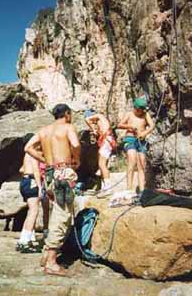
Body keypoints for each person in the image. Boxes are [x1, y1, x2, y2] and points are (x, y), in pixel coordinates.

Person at [25, 103, 81, 276]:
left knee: (55, 212)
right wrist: (76, 160)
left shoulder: (43, 131)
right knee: (62, 215)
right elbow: (75, 144)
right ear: (66, 114)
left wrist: (44, 158)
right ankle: (51, 262)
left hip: (49, 173)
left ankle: (45, 255)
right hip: (63, 172)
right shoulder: (67, 127)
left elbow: (27, 148)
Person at [117, 97, 154, 194]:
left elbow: (151, 126)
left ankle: (142, 190)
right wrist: (130, 126)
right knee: (132, 160)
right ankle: (129, 189)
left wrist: (144, 133)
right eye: (141, 109)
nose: (142, 111)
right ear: (136, 108)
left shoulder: (145, 115)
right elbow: (120, 125)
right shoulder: (129, 114)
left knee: (141, 164)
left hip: (141, 141)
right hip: (130, 139)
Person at [16, 134, 44, 253]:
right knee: (34, 211)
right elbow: (36, 170)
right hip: (32, 180)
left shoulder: (26, 155)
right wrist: (39, 187)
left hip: (24, 181)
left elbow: (21, 169)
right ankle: (24, 242)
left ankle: (26, 238)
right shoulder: (32, 153)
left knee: (30, 211)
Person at [84, 109, 117, 197]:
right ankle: (104, 187)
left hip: (106, 140)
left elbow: (87, 119)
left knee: (102, 164)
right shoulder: (100, 123)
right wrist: (96, 131)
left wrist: (92, 127)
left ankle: (108, 188)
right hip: (105, 141)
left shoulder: (100, 117)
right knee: (101, 165)